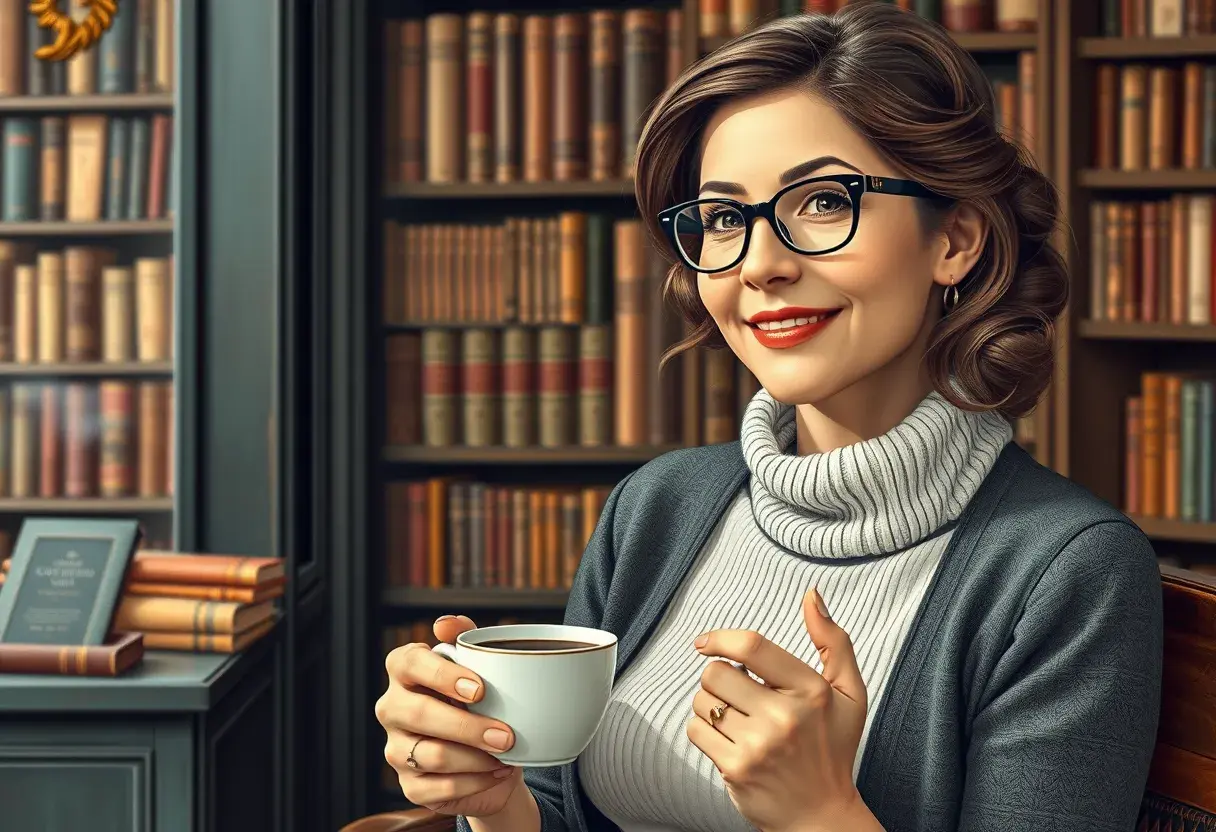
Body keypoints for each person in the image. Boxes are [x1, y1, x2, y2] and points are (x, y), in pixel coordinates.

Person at [374, 3, 1165, 830]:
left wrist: (820, 812)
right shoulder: (657, 505)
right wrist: (492, 800)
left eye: (823, 202)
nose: (760, 264)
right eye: (723, 218)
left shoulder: (1067, 571)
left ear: (956, 238)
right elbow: (561, 814)